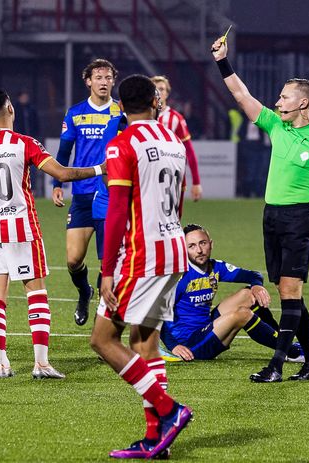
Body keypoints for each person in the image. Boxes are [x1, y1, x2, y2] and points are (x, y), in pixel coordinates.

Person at [211, 35, 309, 383]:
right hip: (271, 215)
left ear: (303, 102)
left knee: (290, 291)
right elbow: (241, 95)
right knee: (288, 292)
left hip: (299, 218)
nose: (277, 102)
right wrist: (222, 61)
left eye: (284, 97)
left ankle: (276, 365)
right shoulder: (276, 125)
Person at [0, 89, 106, 380]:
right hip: (22, 228)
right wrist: (100, 168)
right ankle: (41, 363)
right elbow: (62, 174)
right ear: (10, 109)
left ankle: (1, 363)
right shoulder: (24, 144)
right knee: (36, 293)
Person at [90, 75, 193, 460]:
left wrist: (106, 269)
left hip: (140, 256)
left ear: (120, 105)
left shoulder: (122, 145)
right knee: (144, 342)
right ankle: (155, 439)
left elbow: (117, 210)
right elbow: (179, 200)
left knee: (102, 340)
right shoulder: (172, 141)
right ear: (154, 101)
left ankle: (169, 410)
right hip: (173, 250)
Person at [161, 224, 309, 363]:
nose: (199, 250)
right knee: (242, 314)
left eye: (202, 243)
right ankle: (291, 352)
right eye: (191, 246)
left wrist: (256, 286)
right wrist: (173, 345)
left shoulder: (215, 267)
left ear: (211, 244)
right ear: (184, 249)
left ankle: (283, 341)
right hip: (191, 345)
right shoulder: (179, 276)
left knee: (248, 294)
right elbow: (156, 314)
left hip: (207, 328)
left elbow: (253, 275)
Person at [53, 58, 122, 326]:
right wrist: (57, 184)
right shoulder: (75, 113)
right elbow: (63, 150)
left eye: (108, 77)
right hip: (81, 195)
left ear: (113, 81)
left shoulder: (120, 113)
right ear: (88, 81)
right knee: (73, 260)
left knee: (108, 263)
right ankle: (85, 292)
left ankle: (102, 312)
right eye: (99, 77)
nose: (104, 82)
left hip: (110, 194)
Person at [151, 76, 203, 201]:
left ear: (167, 94)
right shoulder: (140, 116)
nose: (158, 92)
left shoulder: (176, 118)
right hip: (146, 173)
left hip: (169, 174)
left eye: (162, 89)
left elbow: (189, 151)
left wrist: (196, 182)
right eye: (155, 89)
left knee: (169, 215)